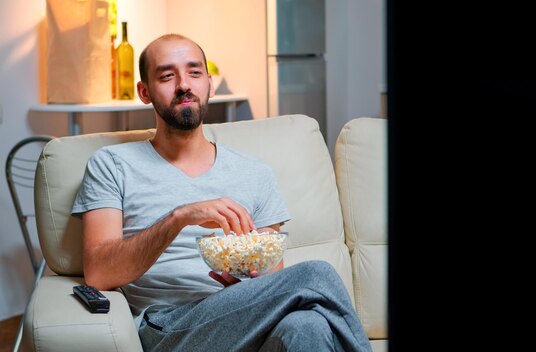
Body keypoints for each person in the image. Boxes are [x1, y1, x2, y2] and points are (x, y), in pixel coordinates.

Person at [71, 34, 372, 352]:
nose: (184, 85)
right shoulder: (112, 164)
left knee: (305, 325)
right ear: (145, 92)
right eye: (167, 75)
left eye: (194, 72)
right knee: (317, 274)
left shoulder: (254, 172)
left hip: (245, 320)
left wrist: (249, 284)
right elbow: (99, 273)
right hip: (168, 327)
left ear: (209, 85)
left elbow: (273, 276)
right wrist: (179, 217)